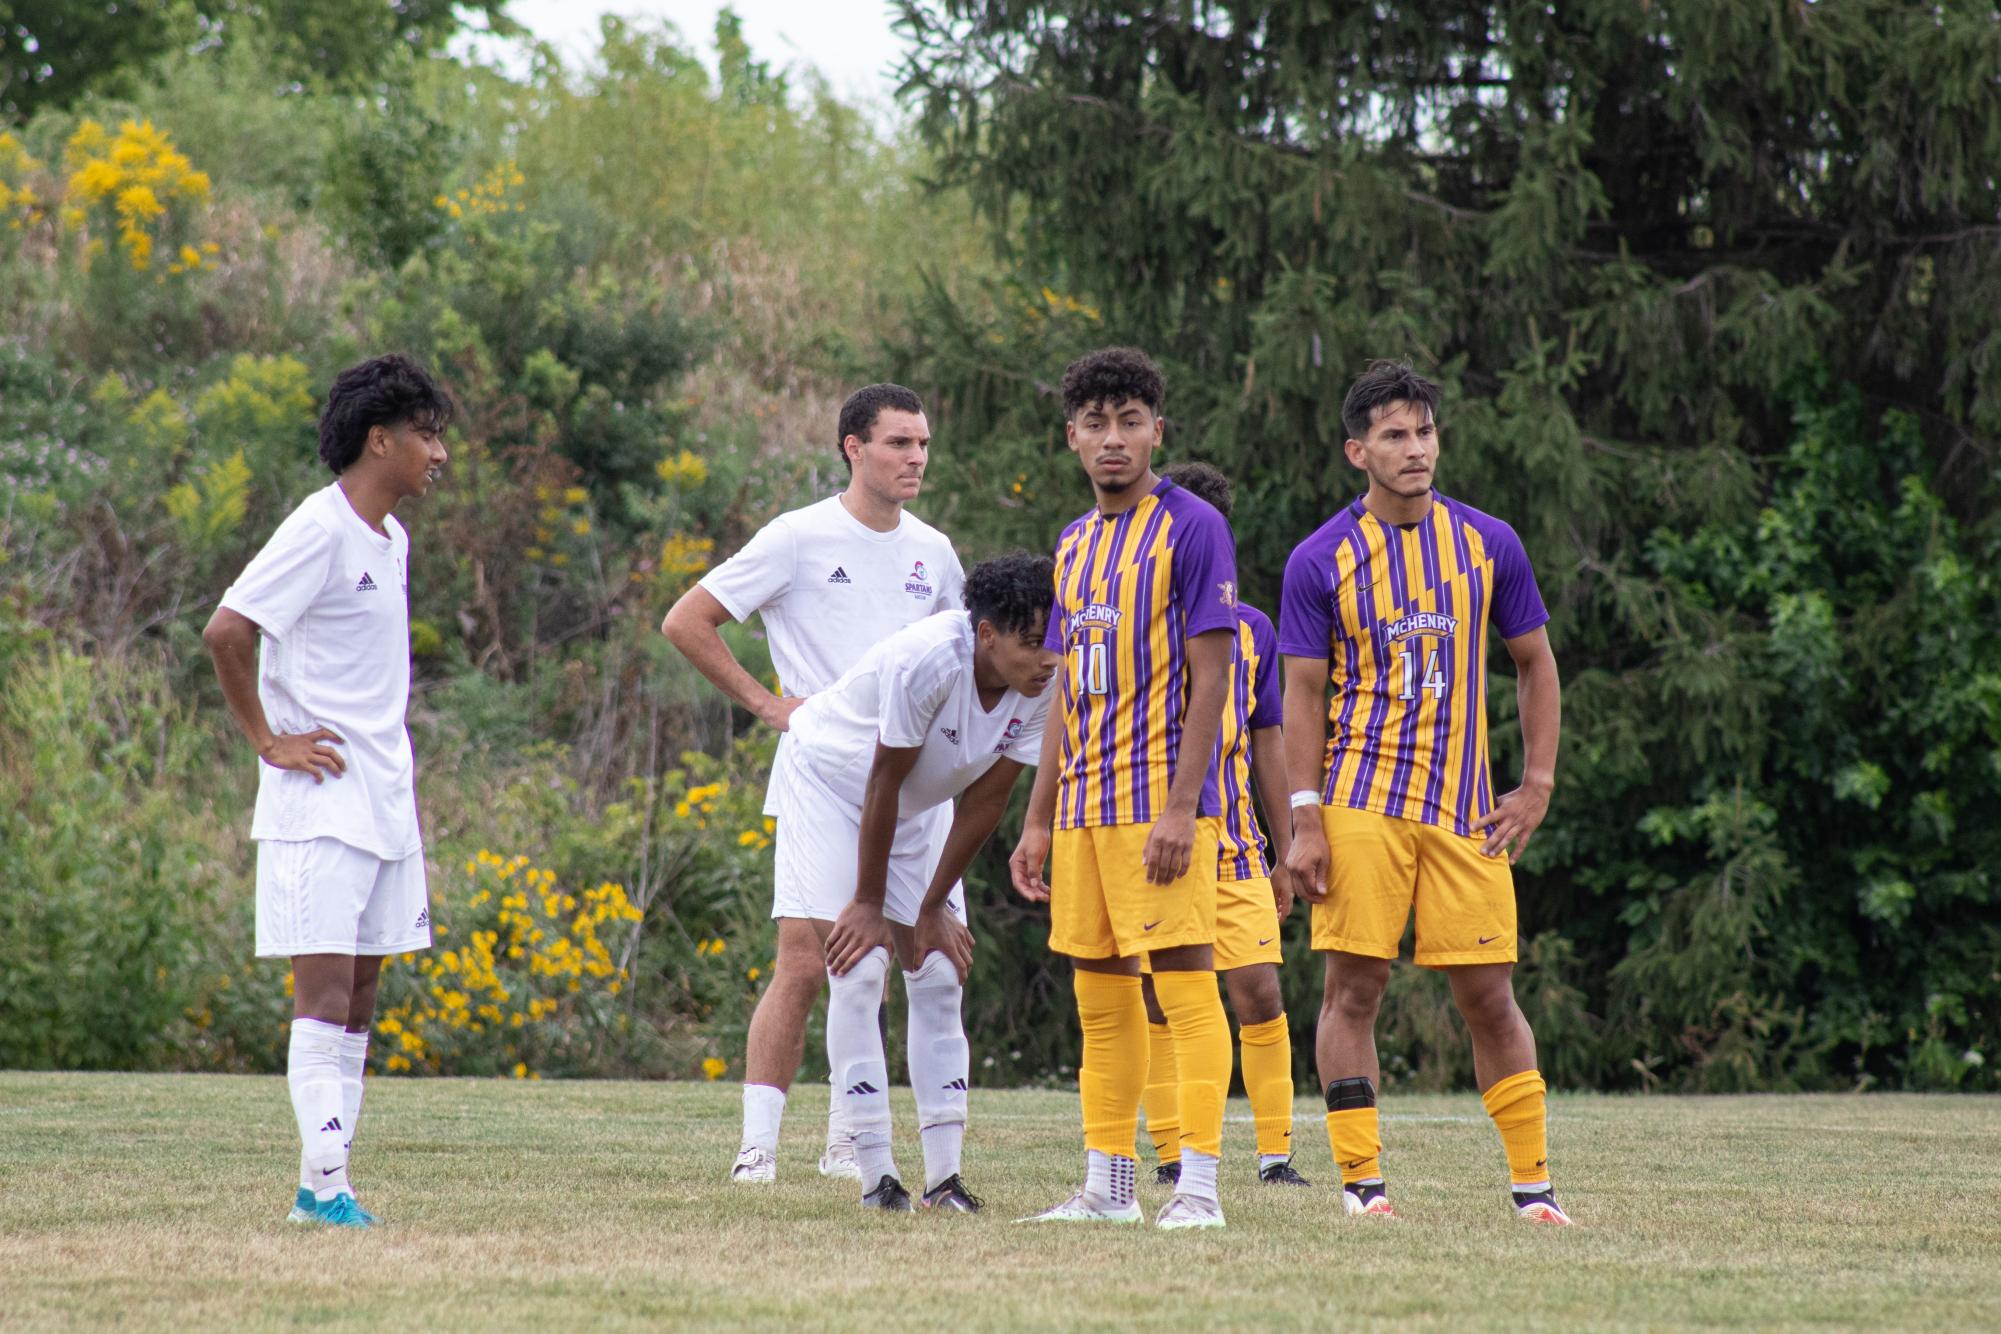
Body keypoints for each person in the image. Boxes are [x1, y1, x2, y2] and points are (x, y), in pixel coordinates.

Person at [1278, 360, 1570, 1224]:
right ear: (1356, 451)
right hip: (1359, 804)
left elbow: (1534, 664)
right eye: (1394, 436)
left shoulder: (1489, 542)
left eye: (1424, 432)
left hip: (1464, 813)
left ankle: (1534, 1193)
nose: (1415, 449)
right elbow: (1299, 694)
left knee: (1489, 997)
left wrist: (1536, 784)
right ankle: (1363, 1190)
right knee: (1353, 992)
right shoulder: (1317, 558)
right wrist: (1304, 819)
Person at [661, 383, 965, 1184]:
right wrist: (768, 704)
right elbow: (685, 620)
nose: (915, 458)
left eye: (923, 444)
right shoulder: (797, 538)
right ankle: (757, 1148)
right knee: (806, 957)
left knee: (906, 958)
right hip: (821, 775)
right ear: (852, 447)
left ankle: (849, 1136)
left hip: (912, 782)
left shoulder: (933, 552)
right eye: (899, 443)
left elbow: (973, 655)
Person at [202, 353, 453, 1229]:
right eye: (426, 434)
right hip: (323, 804)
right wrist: (270, 741)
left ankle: (323, 1184)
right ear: (378, 439)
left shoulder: (392, 539)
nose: (439, 453)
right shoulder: (318, 527)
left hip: (386, 800)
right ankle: (327, 1187)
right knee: (322, 997)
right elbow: (228, 630)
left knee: (360, 1002)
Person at [1010, 347, 1241, 1231]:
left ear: (1156, 432)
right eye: (1096, 424)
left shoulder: (1191, 528)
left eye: (1130, 421)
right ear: (1072, 437)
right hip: (1082, 813)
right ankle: (1107, 1191)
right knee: (1100, 1000)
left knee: (1185, 986)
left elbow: (1211, 680)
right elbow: (1067, 689)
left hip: (1159, 806)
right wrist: (1038, 820)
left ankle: (1200, 1190)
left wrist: (1183, 807)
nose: (1114, 439)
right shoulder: (1072, 541)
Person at [782, 552, 1061, 1212]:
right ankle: (876, 1177)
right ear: (986, 634)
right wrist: (870, 904)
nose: (1045, 660)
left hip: (915, 803)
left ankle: (944, 1181)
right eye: (1030, 644)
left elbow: (988, 800)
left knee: (938, 972)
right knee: (859, 966)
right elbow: (882, 779)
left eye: (1053, 644)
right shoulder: (928, 659)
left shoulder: (1047, 677)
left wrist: (932, 906)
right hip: (831, 785)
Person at [1139, 461, 1306, 1190]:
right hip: (1152, 841)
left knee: (1258, 990)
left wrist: (1288, 846)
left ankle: (1275, 1156)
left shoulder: (1252, 631)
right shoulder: (1133, 621)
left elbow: (1269, 739)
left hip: (1234, 844)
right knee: (1160, 995)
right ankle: (1173, 1154)